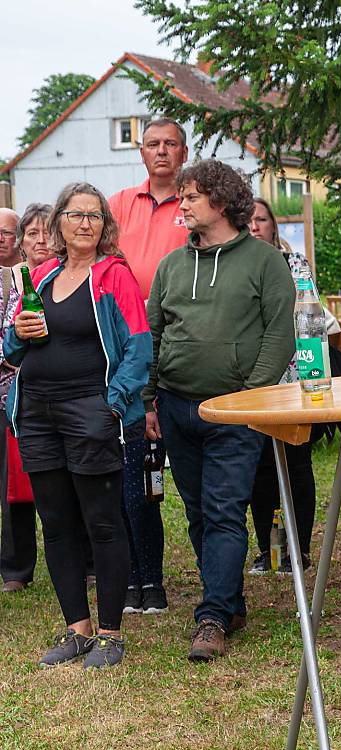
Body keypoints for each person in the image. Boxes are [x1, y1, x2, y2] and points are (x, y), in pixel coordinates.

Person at [143, 159, 295, 661]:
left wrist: (248, 396)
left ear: (221, 200)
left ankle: (211, 618)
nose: (181, 205)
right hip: (177, 406)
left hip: (233, 411)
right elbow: (155, 334)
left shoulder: (264, 261)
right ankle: (227, 601)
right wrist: (149, 399)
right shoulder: (171, 265)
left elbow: (280, 334)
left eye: (190, 196)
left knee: (225, 511)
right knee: (197, 512)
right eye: (182, 196)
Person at [4, 182, 151, 670]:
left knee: (102, 522)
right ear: (59, 225)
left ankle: (110, 633)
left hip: (90, 411)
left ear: (105, 226)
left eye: (94, 215)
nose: (84, 222)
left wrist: (113, 404)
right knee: (58, 524)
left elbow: (139, 349)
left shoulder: (114, 277)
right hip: (38, 413)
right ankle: (77, 631)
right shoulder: (40, 278)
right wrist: (17, 334)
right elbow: (11, 351)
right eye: (75, 214)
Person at [108, 117, 190, 616]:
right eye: (152, 144)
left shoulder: (197, 203)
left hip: (179, 346)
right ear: (141, 153)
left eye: (170, 144)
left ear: (183, 152)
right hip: (127, 347)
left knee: (171, 474)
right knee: (134, 471)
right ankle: (142, 578)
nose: (161, 151)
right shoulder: (119, 204)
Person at [244, 197, 318, 574]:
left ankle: (299, 549)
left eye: (261, 219)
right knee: (260, 469)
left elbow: (310, 313)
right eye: (249, 220)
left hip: (292, 378)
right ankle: (269, 550)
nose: (255, 226)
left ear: (273, 225)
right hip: (253, 380)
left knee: (295, 465)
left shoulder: (293, 264)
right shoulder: (236, 268)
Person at [0, 204, 50, 592]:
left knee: (63, 481)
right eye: (31, 234)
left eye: (46, 232)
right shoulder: (10, 283)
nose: (41, 240)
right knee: (14, 486)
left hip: (58, 392)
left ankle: (84, 560)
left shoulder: (69, 277)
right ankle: (16, 567)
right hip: (11, 396)